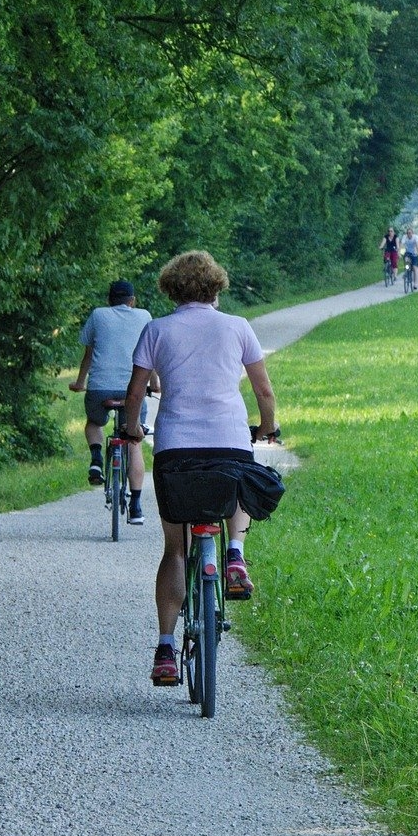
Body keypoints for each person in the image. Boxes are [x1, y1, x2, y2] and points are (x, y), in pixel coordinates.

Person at [120, 251, 282, 687]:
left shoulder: (156, 330)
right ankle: (235, 556)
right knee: (240, 479)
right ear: (216, 287)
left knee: (175, 550)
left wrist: (133, 429)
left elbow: (135, 394)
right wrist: (267, 427)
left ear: (171, 289)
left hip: (176, 450)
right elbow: (264, 392)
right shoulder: (238, 327)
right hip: (228, 440)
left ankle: (165, 649)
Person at [69, 279, 153, 524]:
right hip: (132, 389)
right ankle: (136, 507)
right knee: (133, 440)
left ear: (109, 300)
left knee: (94, 423)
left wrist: (80, 382)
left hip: (100, 388)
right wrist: (156, 384)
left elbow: (88, 354)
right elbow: (149, 357)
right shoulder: (145, 316)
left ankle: (96, 460)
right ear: (132, 301)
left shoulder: (98, 315)